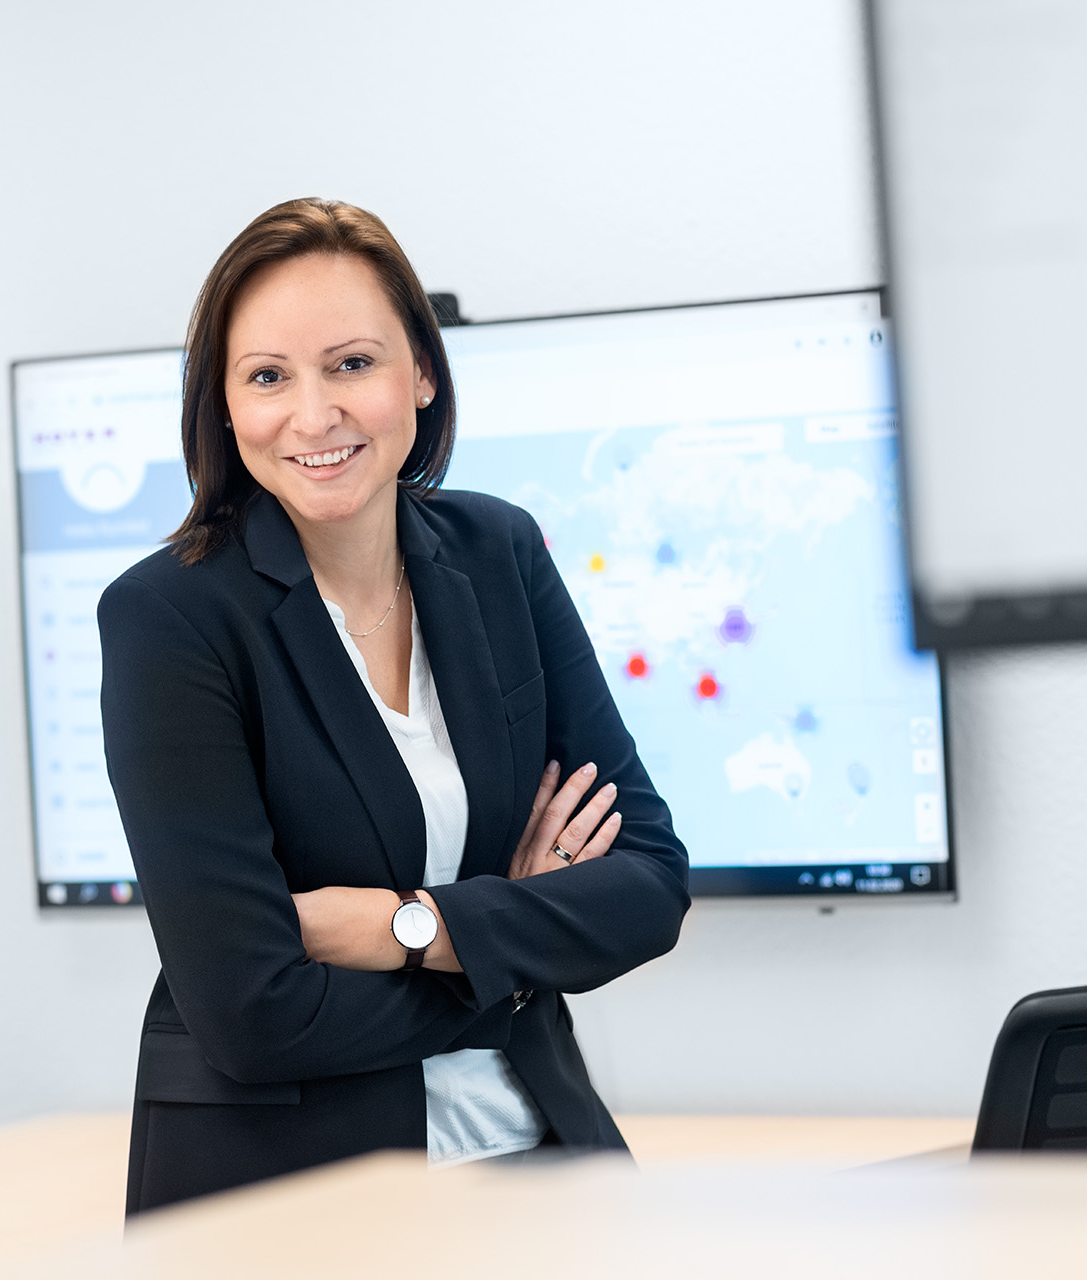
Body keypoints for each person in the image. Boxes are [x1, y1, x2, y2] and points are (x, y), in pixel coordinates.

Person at [98, 197, 690, 1215]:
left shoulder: (498, 553)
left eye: (352, 363)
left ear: (420, 370)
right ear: (226, 405)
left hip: (543, 1160)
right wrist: (514, 948)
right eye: (268, 375)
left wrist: (405, 925)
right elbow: (252, 1012)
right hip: (292, 1200)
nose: (314, 414)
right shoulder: (170, 620)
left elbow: (647, 883)